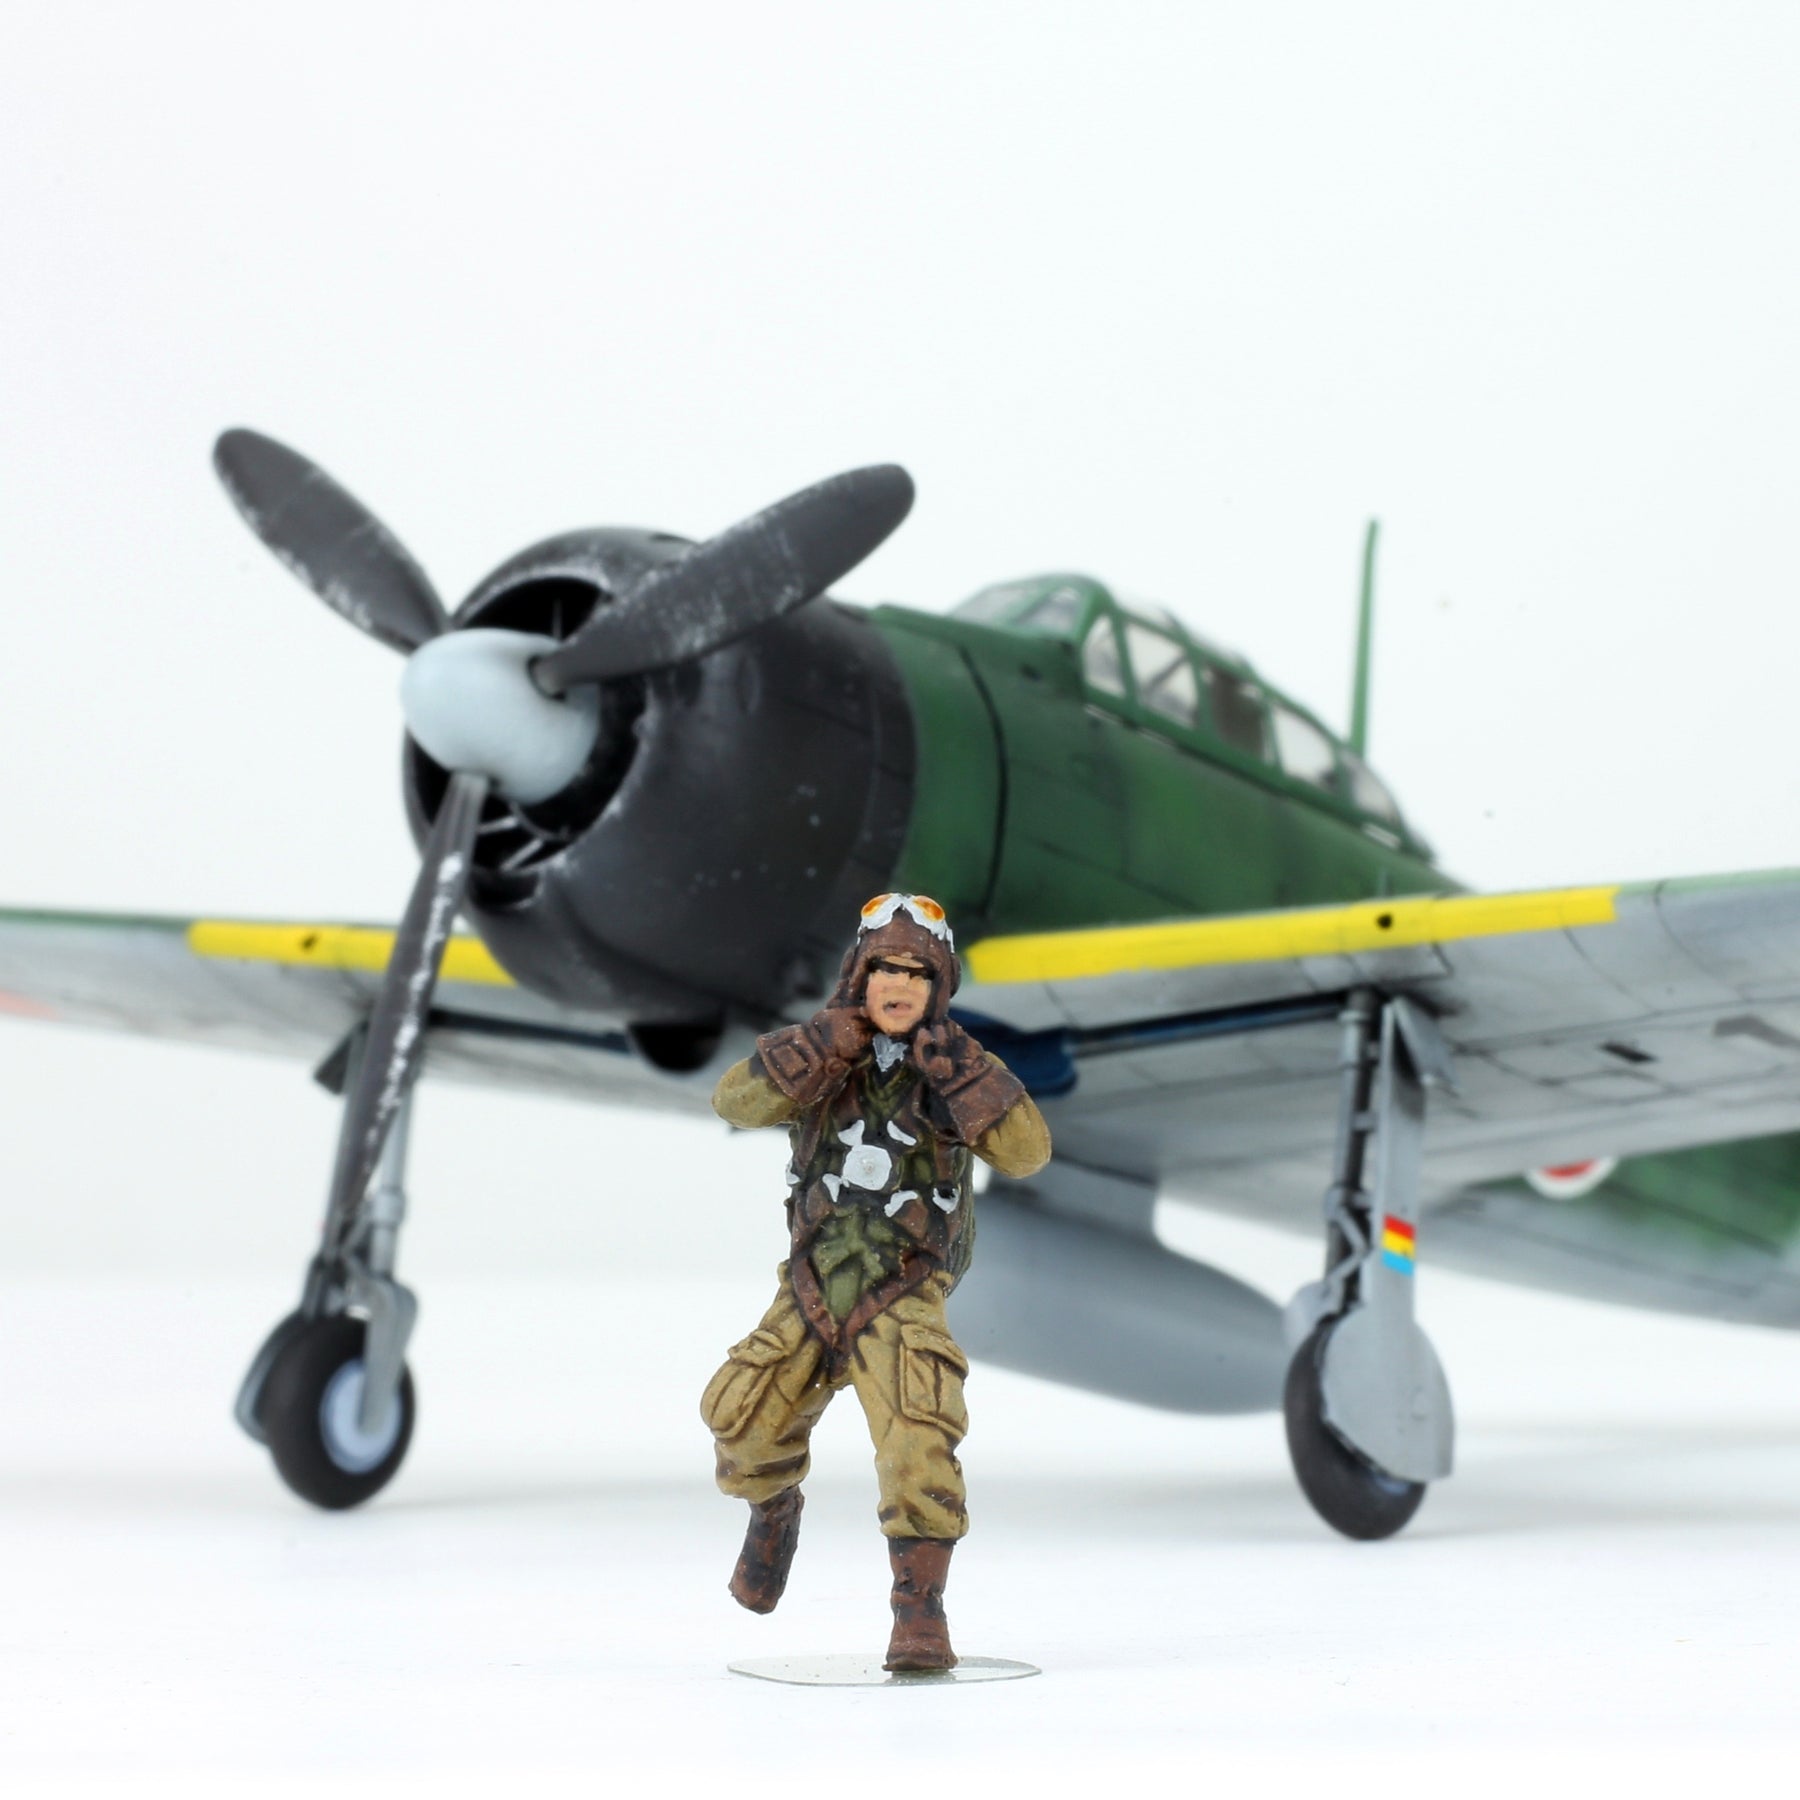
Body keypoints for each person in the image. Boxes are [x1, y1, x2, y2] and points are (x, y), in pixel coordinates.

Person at [701, 892, 1051, 1671]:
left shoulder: (958, 1067)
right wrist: (815, 1047)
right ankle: (774, 1512)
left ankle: (918, 1610)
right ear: (859, 977)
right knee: (742, 1417)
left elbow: (1027, 1153)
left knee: (919, 1442)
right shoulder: (823, 1055)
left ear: (939, 985)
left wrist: (963, 1074)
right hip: (813, 1280)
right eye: (884, 969)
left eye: (916, 973)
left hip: (903, 1285)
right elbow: (732, 1101)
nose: (898, 985)